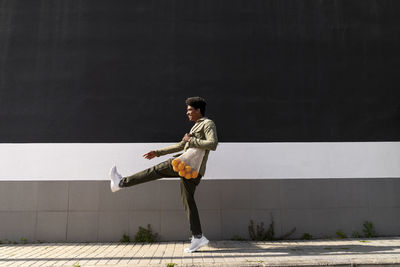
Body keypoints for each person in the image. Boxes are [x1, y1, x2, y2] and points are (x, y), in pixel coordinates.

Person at [109, 96, 218, 253]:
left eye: (189, 110)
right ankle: (198, 236)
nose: (187, 113)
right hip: (191, 170)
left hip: (186, 165)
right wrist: (158, 152)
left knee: (155, 171)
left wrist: (192, 141)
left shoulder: (208, 124)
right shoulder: (195, 127)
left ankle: (121, 183)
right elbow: (181, 146)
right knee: (188, 201)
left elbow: (213, 144)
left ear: (198, 110)